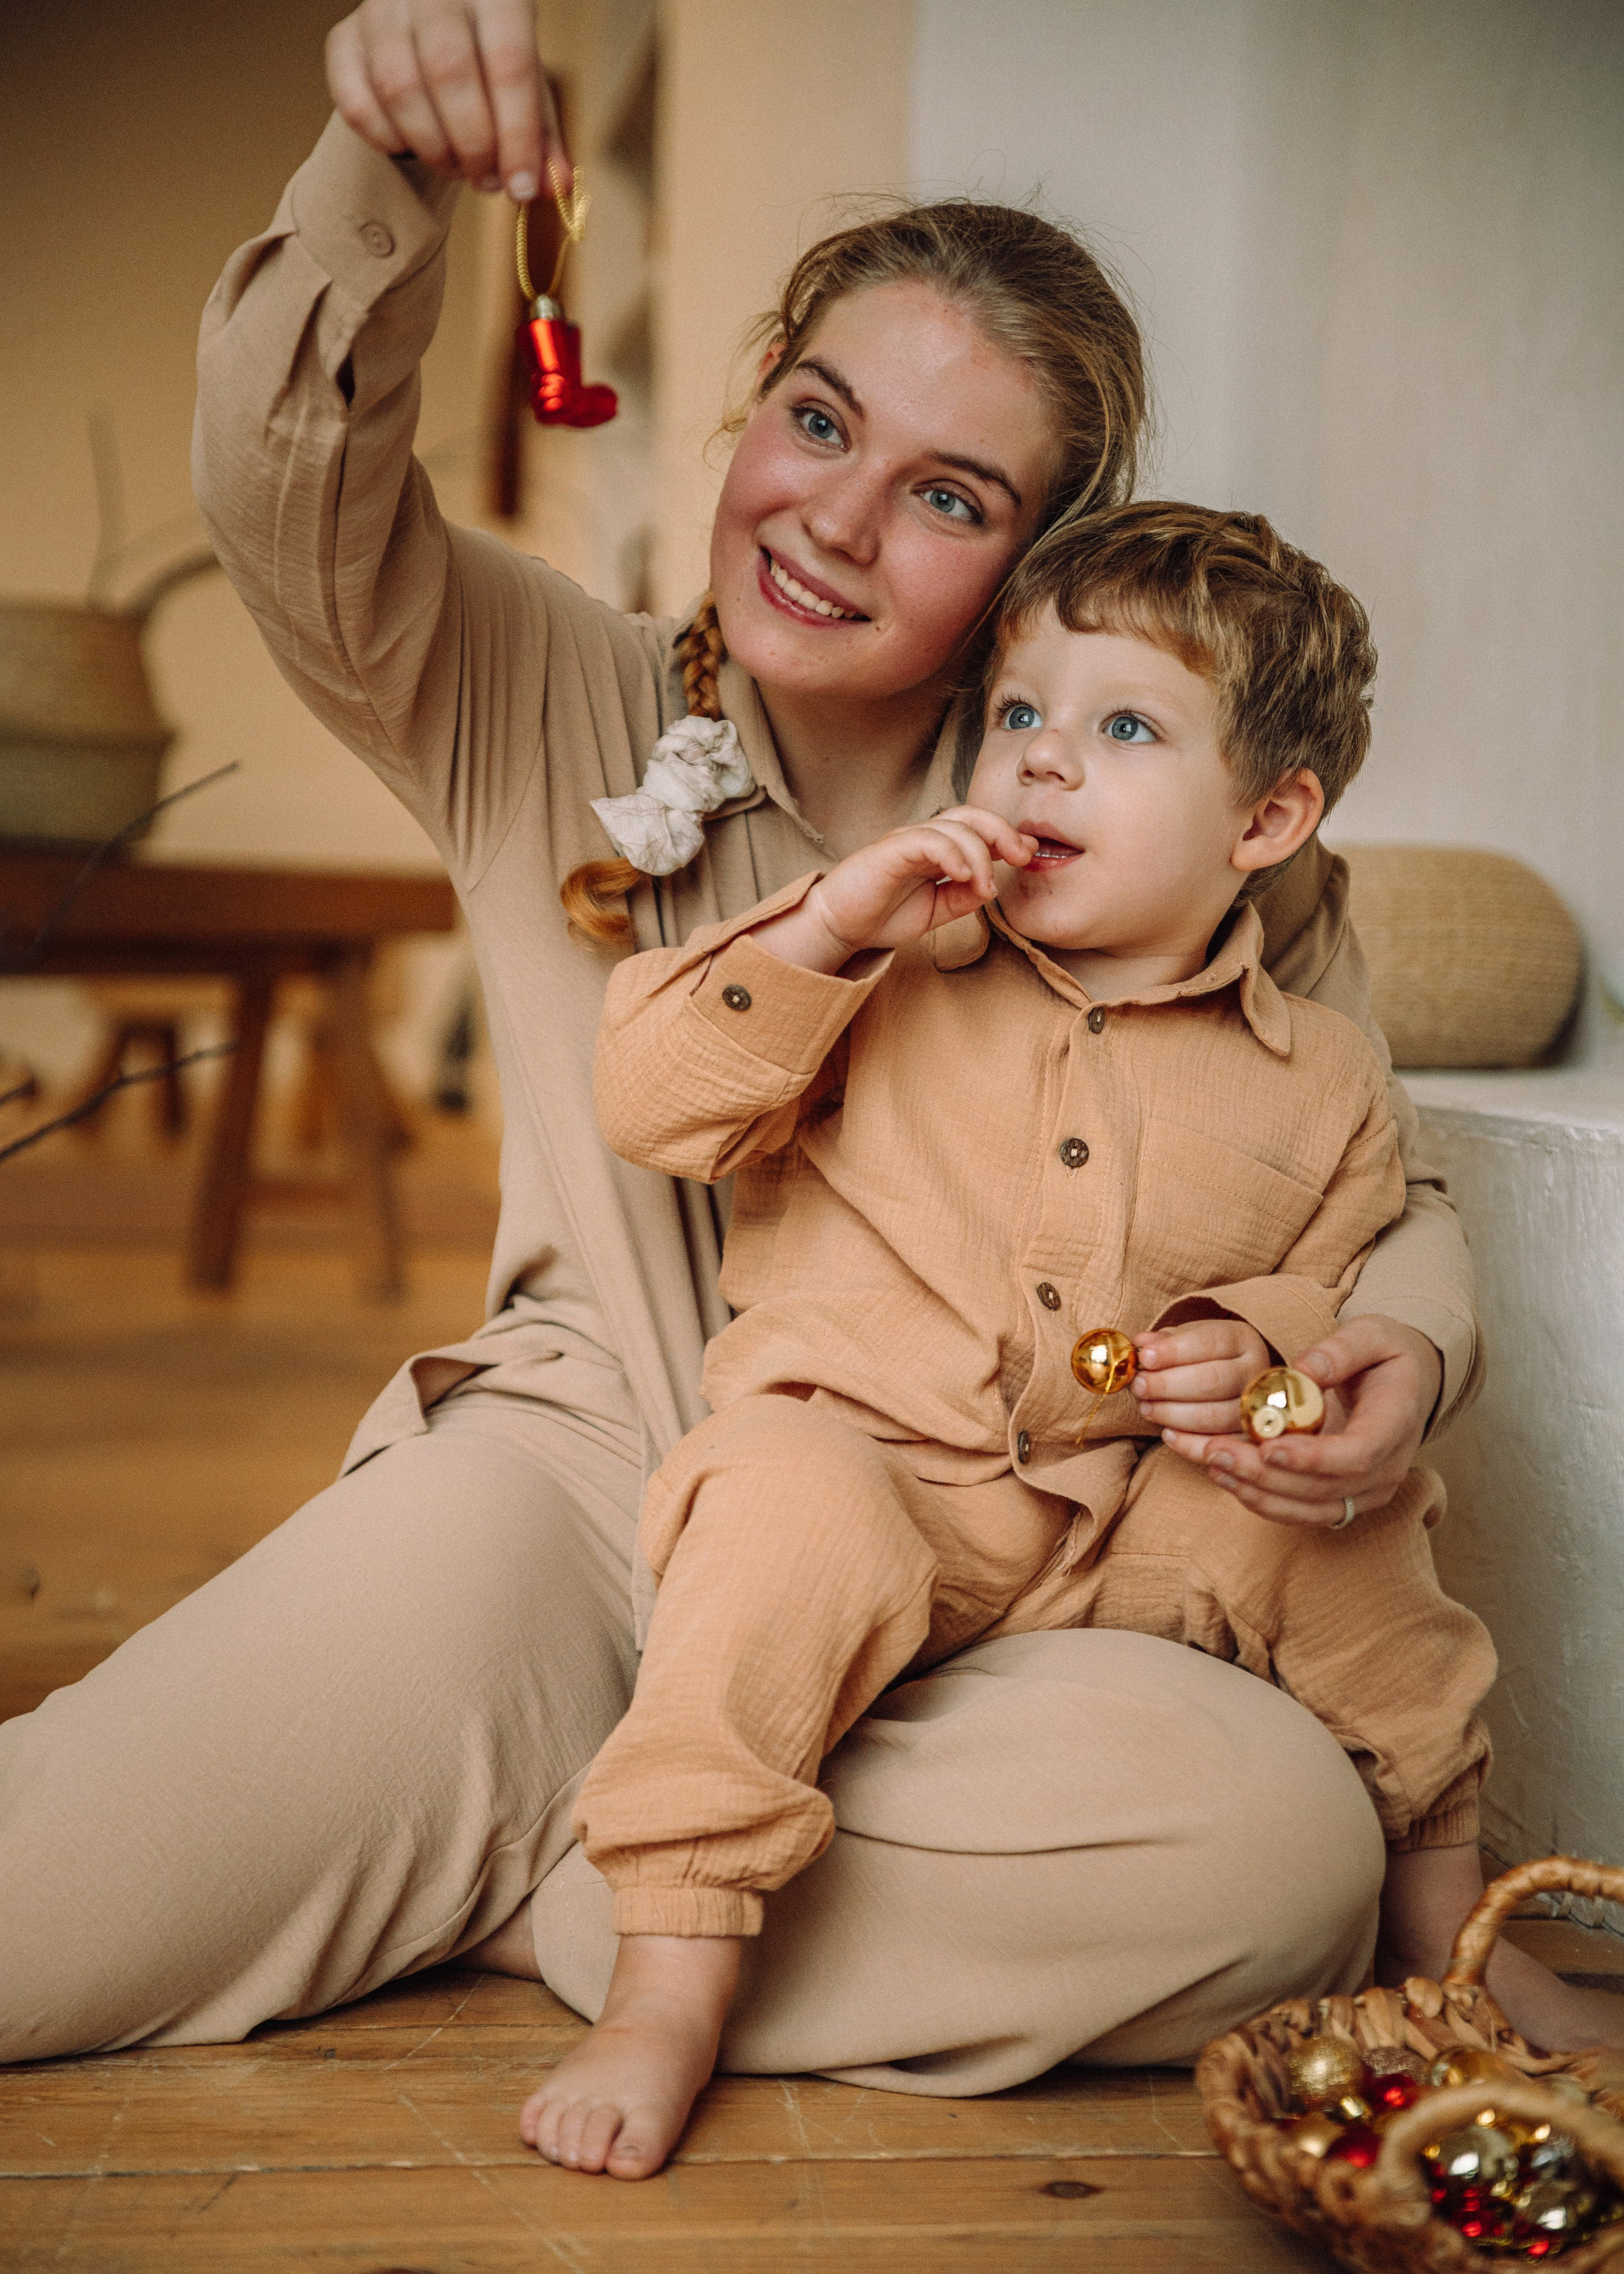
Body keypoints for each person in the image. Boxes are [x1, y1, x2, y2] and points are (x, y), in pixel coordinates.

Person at [0, 0, 1486, 2091]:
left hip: (1003, 1575)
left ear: (1020, 576)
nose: (837, 517)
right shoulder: (534, 680)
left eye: (948, 493)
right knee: (44, 1895)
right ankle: (577, 1817)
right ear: (749, 417)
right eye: (815, 419)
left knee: (1273, 1853)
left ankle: (593, 1889)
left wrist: (1394, 1355)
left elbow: (1375, 1178)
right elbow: (286, 485)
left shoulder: (1153, 840)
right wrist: (387, 174)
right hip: (572, 1492)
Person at [521, 502, 1611, 2178]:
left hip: (1123, 1515)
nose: (1042, 763)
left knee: (1349, 1512)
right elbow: (653, 1098)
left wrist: (1262, 1353)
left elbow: (1335, 1272)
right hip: (885, 1483)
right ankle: (668, 1963)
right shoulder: (898, 956)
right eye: (1021, 714)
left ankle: (1441, 1911)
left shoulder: (1318, 1073)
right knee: (780, 1493)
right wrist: (829, 926)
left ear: (1271, 815)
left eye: (1122, 729)